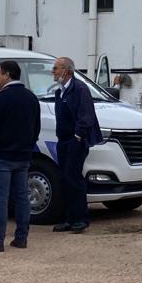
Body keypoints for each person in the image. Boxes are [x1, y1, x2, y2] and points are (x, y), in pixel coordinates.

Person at [0, 59, 40, 252]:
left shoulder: (0, 98)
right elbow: (36, 127)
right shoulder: (31, 97)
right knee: (22, 197)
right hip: (23, 155)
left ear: (7, 75)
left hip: (1, 155)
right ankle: (21, 237)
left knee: (0, 197)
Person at [51, 56, 103, 234]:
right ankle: (67, 218)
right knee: (64, 178)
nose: (53, 72)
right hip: (63, 141)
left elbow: (86, 116)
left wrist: (78, 137)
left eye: (56, 68)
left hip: (75, 141)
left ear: (66, 71)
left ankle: (80, 219)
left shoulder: (80, 89)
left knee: (74, 178)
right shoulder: (60, 92)